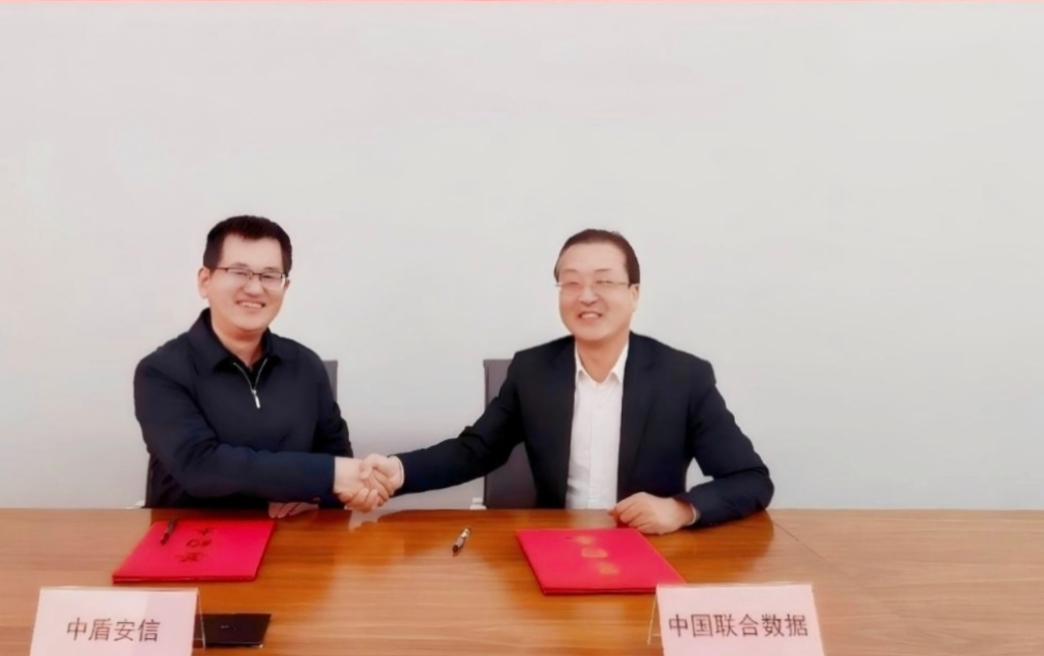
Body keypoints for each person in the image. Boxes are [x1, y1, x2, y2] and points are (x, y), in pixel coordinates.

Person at [357, 229, 773, 534]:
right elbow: (476, 450)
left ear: (634, 294)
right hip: (556, 547)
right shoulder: (533, 370)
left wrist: (679, 510)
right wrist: (399, 471)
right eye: (571, 282)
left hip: (648, 551)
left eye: (603, 281)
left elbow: (751, 479)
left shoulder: (683, 377)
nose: (585, 295)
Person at [133, 215, 389, 515]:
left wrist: (321, 496)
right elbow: (200, 466)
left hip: (293, 537)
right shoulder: (161, 371)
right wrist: (325, 476)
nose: (255, 288)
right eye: (239, 272)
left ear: (285, 286)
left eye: (269, 275)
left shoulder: (306, 365)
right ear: (205, 281)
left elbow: (337, 461)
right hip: (194, 537)